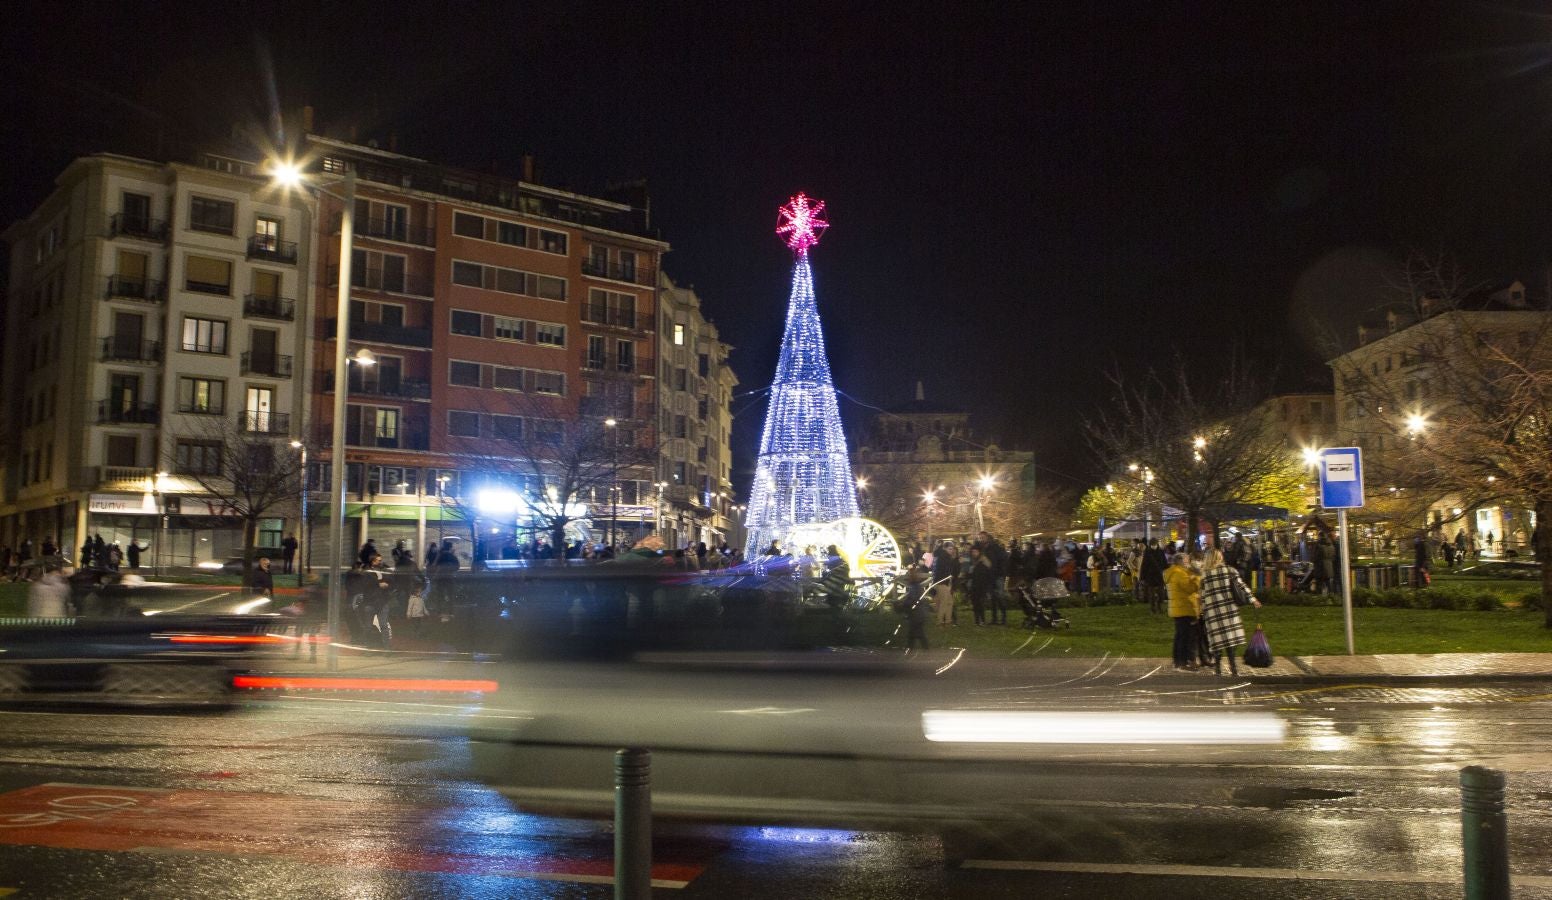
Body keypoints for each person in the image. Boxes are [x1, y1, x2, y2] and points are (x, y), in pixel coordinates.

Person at [1197, 548, 1262, 676]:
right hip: (1229, 609)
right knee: (1230, 640)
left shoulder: (1204, 575)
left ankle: (1218, 670)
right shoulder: (1230, 571)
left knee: (1217, 641)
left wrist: (1202, 610)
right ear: (1219, 558)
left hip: (1213, 611)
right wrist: (1253, 599)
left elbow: (1202, 595)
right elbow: (1242, 586)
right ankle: (1233, 668)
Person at [1164, 553, 1201, 671]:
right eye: (1187, 561)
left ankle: (1179, 661)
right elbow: (1190, 588)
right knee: (1185, 637)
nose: (1188, 563)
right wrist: (1196, 577)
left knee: (1180, 636)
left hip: (1180, 608)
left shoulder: (1174, 572)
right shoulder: (1179, 573)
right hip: (1184, 608)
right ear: (1180, 561)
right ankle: (1182, 662)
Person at [900, 565, 932, 650]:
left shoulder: (914, 587)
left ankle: (913, 647)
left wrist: (904, 604)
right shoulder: (916, 586)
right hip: (919, 613)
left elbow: (913, 599)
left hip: (916, 613)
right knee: (916, 631)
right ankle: (915, 647)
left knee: (915, 630)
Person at [931, 541, 958, 627]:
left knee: (948, 602)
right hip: (942, 582)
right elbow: (947, 570)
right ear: (945, 548)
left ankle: (947, 621)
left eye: (952, 549)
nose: (952, 551)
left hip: (942, 582)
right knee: (944, 602)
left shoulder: (943, 556)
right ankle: (940, 622)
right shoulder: (944, 557)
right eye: (950, 549)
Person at [966, 545, 994, 625]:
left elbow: (986, 572)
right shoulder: (974, 562)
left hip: (981, 586)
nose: (974, 553)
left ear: (979, 552)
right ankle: (977, 620)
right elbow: (973, 574)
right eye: (973, 552)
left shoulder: (983, 562)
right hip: (974, 585)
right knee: (975, 603)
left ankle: (982, 620)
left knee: (980, 603)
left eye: (975, 552)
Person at [1140, 538, 1167, 614]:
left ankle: (1159, 607)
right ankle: (1153, 608)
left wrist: (1167, 570)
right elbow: (1144, 565)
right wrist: (1142, 577)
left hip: (1159, 575)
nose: (1154, 546)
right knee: (1151, 594)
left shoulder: (1161, 552)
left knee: (1161, 593)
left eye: (1154, 544)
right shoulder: (1147, 552)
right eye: (1152, 544)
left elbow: (1164, 562)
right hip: (1150, 575)